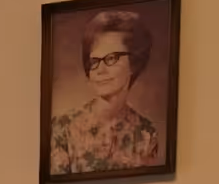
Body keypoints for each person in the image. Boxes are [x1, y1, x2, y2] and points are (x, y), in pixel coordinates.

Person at [48, 10, 161, 174]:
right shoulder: (62, 127)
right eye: (94, 61)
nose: (100, 70)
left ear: (134, 63)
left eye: (111, 58)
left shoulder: (146, 133)